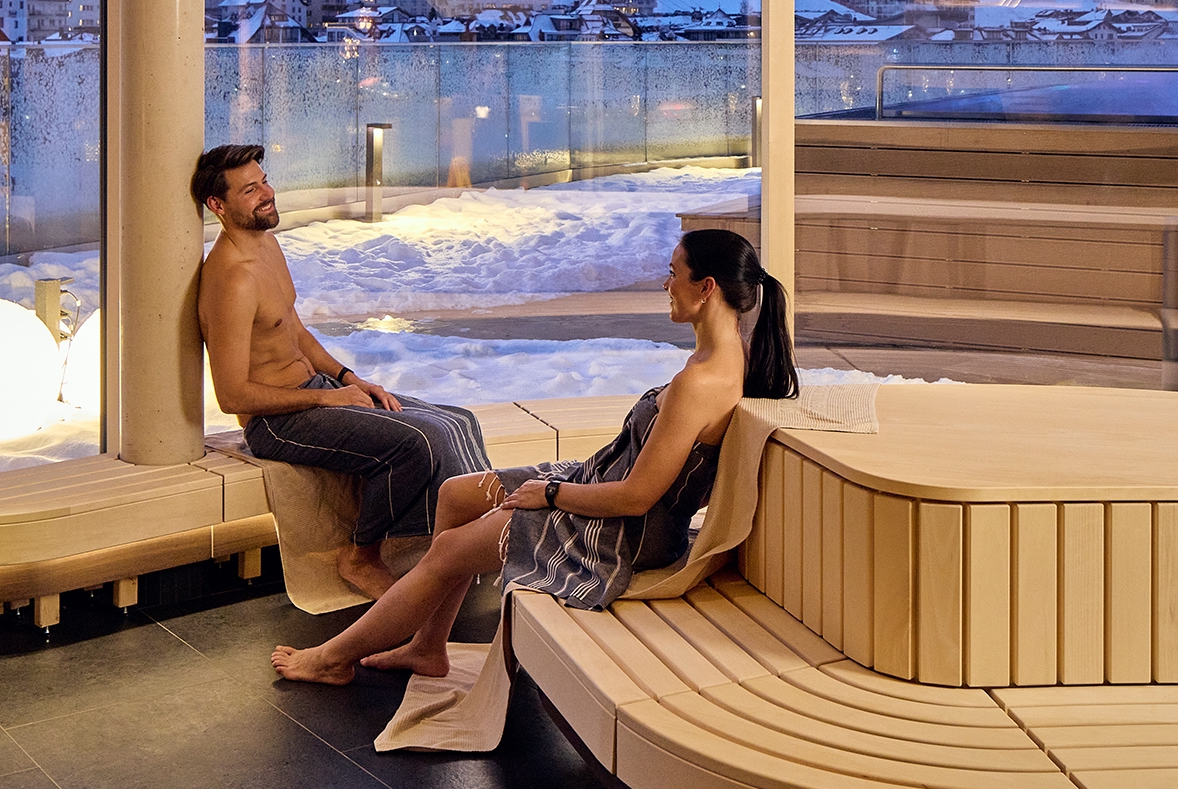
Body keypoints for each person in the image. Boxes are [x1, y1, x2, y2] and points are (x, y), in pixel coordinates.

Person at [271, 227, 797, 684]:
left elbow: (638, 498)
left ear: (705, 288)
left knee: (448, 552)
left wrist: (549, 493)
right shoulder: (721, 358)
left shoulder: (702, 382)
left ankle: (332, 658)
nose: (665, 283)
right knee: (457, 494)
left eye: (673, 272)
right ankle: (427, 648)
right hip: (599, 483)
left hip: (623, 532)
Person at [193, 144, 493, 598]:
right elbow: (232, 396)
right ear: (218, 205)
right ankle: (361, 556)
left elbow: (292, 329)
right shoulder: (232, 280)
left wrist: (348, 378)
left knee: (457, 420)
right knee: (419, 442)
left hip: (317, 391)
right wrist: (327, 397)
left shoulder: (265, 245)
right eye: (250, 190)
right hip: (277, 422)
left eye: (265, 180)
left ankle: (474, 540)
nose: (267, 194)